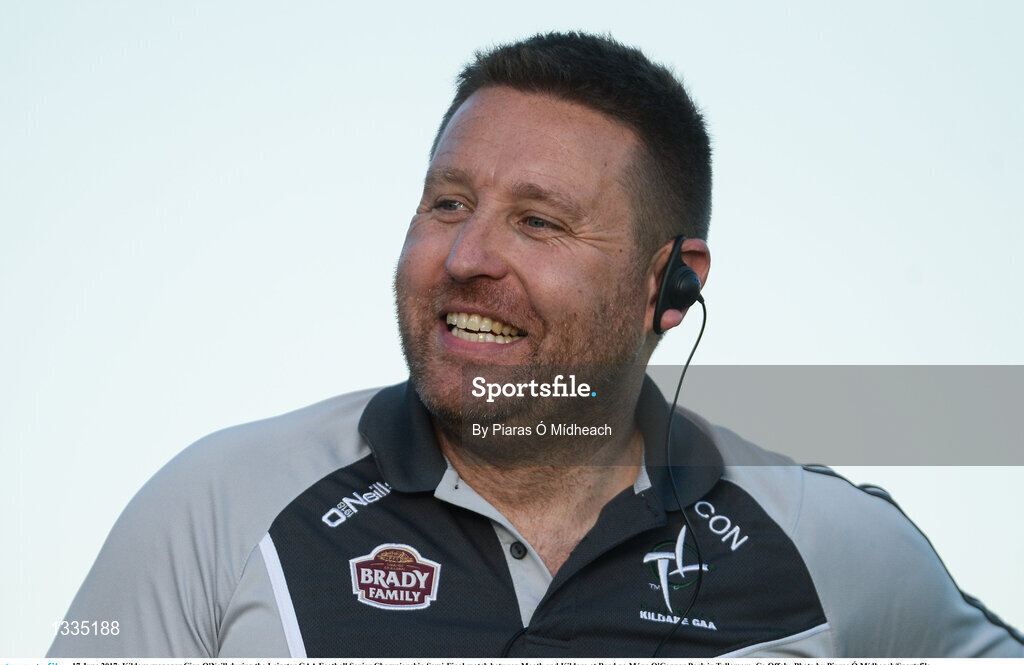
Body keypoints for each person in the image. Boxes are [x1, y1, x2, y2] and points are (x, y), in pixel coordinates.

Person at [48, 31, 1023, 658]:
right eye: (448, 203)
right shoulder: (218, 508)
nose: (467, 256)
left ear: (670, 284)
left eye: (540, 223)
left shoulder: (828, 548)